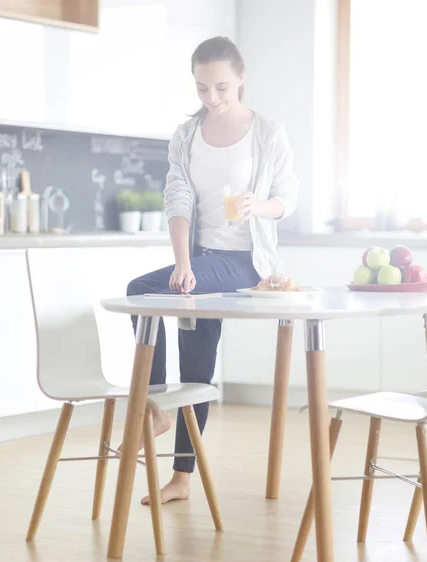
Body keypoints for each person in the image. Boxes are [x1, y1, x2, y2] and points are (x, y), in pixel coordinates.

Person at [126, 36, 298, 505]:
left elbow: (289, 198)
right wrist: (183, 263)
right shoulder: (186, 136)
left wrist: (258, 205)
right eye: (202, 88)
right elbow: (177, 198)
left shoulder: (268, 132)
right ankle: (181, 479)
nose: (212, 98)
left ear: (241, 78)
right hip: (201, 258)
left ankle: (156, 406)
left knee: (139, 289)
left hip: (245, 262)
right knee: (195, 358)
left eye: (221, 87)